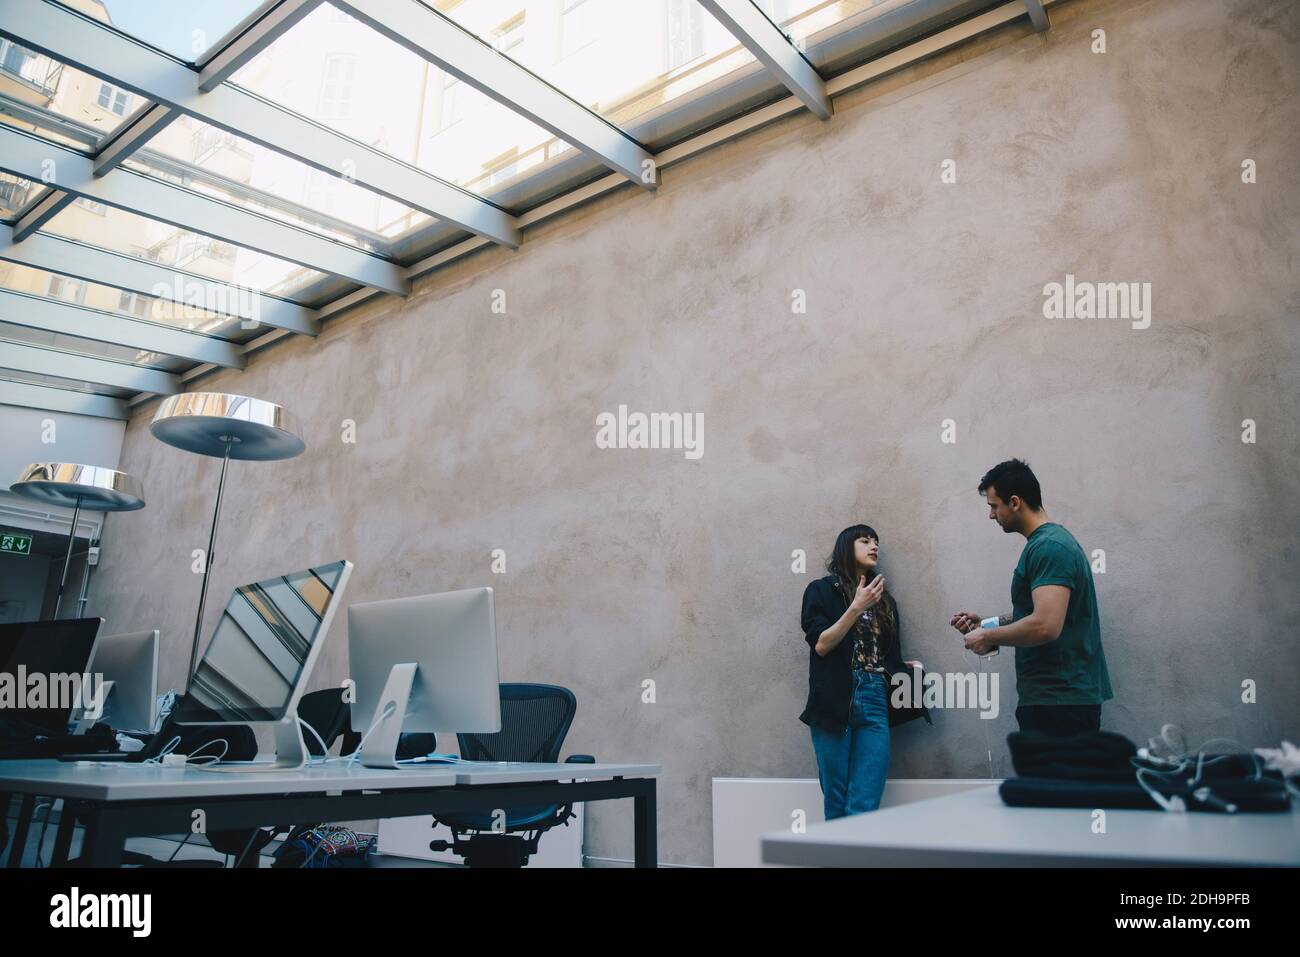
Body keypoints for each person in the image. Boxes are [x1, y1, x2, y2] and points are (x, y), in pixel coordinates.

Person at [950, 459, 1113, 736]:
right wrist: (987, 625)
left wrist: (987, 638)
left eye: (993, 506)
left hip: (1060, 705)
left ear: (1014, 502)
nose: (991, 515)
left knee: (1055, 781)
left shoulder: (1049, 547)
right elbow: (1041, 614)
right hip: (1055, 701)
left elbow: (1045, 626)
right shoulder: (1047, 544)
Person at [799, 525, 921, 818]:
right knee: (836, 801)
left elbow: (886, 655)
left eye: (876, 541)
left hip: (876, 696)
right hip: (836, 696)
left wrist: (906, 669)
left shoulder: (886, 602)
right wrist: (856, 606)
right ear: (846, 547)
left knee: (864, 804)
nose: (874, 546)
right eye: (865, 540)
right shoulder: (821, 590)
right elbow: (822, 645)